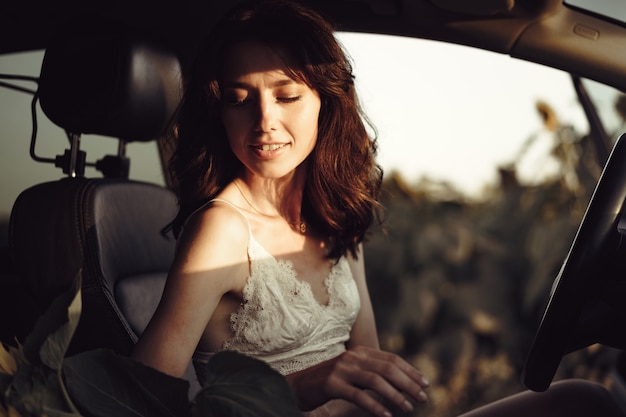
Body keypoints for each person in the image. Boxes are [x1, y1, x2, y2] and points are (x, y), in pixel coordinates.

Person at [131, 1, 625, 416]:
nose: (264, 121)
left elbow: (369, 363)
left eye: (287, 96)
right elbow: (142, 397)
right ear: (219, 113)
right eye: (240, 100)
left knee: (583, 400)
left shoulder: (334, 215)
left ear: (326, 102)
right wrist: (303, 387)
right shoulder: (221, 230)